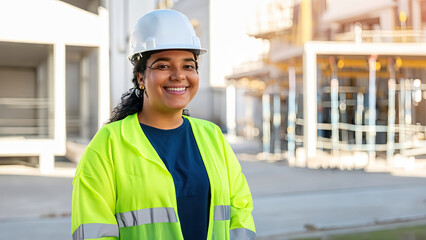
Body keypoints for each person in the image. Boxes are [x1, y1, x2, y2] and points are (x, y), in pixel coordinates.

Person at [71, 9, 255, 240]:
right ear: (140, 77)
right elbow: (94, 231)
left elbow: (240, 208)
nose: (179, 75)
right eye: (163, 66)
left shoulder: (212, 136)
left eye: (188, 66)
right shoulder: (108, 144)